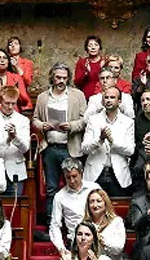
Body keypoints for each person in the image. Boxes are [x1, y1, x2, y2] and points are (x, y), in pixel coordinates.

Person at [33, 62, 87, 217]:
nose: (61, 80)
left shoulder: (78, 95)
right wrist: (43, 125)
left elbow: (85, 120)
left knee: (74, 185)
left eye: (64, 77)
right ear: (52, 77)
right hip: (50, 148)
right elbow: (35, 119)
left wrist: (71, 126)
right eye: (58, 77)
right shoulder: (43, 97)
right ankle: (52, 222)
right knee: (51, 188)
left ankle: (75, 220)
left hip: (70, 147)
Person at [82, 87, 135, 197]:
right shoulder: (93, 120)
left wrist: (112, 142)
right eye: (106, 97)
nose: (108, 100)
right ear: (102, 101)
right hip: (95, 174)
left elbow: (130, 150)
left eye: (112, 97)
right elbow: (84, 148)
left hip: (118, 175)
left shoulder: (128, 122)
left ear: (119, 102)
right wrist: (99, 140)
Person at [0, 85, 30, 194]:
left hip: (15, 170)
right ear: (0, 101)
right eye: (7, 103)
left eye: (13, 103)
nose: (10, 107)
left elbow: (25, 148)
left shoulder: (23, 120)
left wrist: (15, 137)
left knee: (15, 207)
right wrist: (7, 140)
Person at [50, 159, 99, 254]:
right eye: (68, 177)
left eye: (74, 176)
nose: (71, 181)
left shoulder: (94, 188)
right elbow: (55, 225)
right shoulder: (59, 196)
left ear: (81, 173)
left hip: (96, 239)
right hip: (74, 242)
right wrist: (61, 248)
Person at [85, 188, 129, 260]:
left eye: (98, 201)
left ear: (105, 203)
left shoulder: (116, 222)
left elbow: (118, 248)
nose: (95, 205)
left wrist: (102, 240)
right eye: (91, 202)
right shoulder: (85, 225)